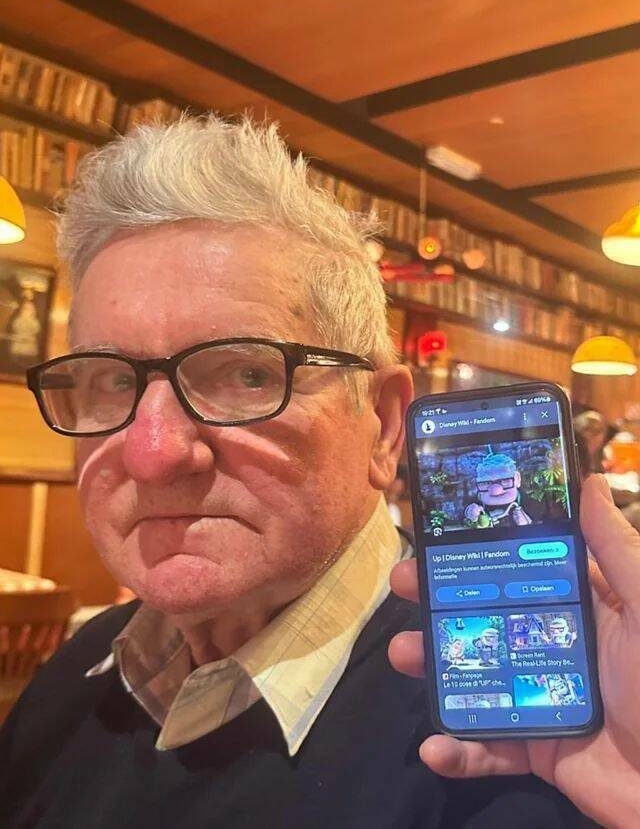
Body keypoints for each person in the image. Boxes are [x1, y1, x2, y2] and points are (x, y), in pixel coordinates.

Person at [1, 115, 639, 828]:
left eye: (246, 374)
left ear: (383, 425)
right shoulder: (75, 673)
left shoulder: (555, 749)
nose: (152, 453)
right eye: (112, 381)